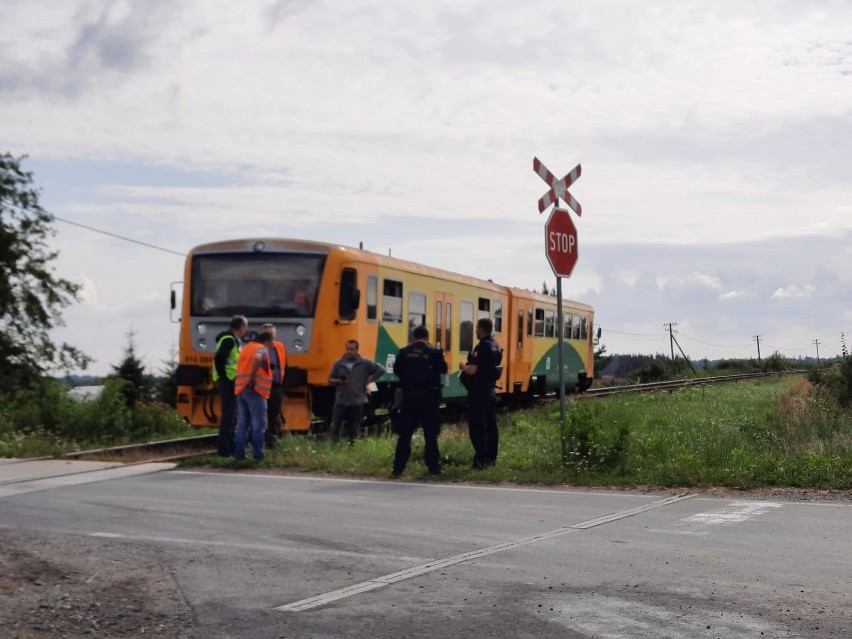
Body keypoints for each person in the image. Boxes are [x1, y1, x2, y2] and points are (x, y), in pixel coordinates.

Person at [391, 325, 447, 477]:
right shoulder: (435, 353)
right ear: (427, 337)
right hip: (429, 399)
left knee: (405, 435)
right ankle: (433, 468)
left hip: (409, 399)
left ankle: (398, 468)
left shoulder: (404, 352)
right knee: (430, 435)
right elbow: (444, 369)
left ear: (413, 337)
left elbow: (396, 371)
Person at [459, 318, 503, 469]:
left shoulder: (482, 347)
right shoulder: (496, 347)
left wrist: (463, 366)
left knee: (478, 427)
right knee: (491, 426)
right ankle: (491, 459)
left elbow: (473, 370)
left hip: (478, 392)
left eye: (477, 328)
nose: (475, 331)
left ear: (482, 329)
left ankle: (480, 460)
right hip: (490, 391)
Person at [328, 340, 386, 444]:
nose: (349, 352)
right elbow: (330, 380)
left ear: (357, 350)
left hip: (357, 401)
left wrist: (370, 379)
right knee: (335, 425)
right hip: (341, 401)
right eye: (347, 349)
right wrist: (338, 381)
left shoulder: (364, 363)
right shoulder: (339, 363)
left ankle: (352, 446)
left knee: (354, 428)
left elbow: (381, 369)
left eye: (352, 349)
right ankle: (334, 445)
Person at [233, 331, 274, 462]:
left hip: (240, 390)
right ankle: (258, 456)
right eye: (272, 342)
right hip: (255, 390)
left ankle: (239, 456)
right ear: (268, 341)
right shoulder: (261, 349)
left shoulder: (245, 349)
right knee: (258, 425)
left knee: (242, 426)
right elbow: (257, 358)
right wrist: (251, 378)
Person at [213, 315, 247, 457]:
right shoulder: (229, 340)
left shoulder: (231, 339)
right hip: (228, 382)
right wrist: (223, 377)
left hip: (229, 381)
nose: (246, 329)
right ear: (241, 327)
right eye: (245, 326)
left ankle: (229, 447)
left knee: (231, 416)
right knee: (229, 416)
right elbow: (219, 358)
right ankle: (225, 450)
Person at [260, 322, 287, 449]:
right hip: (261, 387)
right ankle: (259, 443)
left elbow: (284, 364)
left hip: (276, 387)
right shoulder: (257, 348)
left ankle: (273, 443)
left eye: (272, 333)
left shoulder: (280, 346)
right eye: (267, 333)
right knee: (260, 416)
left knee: (275, 416)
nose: (270, 336)